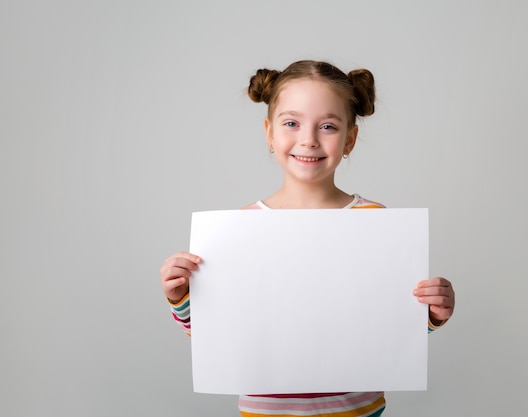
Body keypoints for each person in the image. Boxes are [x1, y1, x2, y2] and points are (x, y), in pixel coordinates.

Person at [160, 60, 455, 417]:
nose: (309, 139)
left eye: (328, 126)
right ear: (269, 133)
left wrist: (431, 315)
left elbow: (387, 332)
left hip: (359, 412)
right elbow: (221, 338)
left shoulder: (376, 224)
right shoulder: (240, 230)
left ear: (350, 139)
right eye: (291, 123)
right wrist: (182, 298)